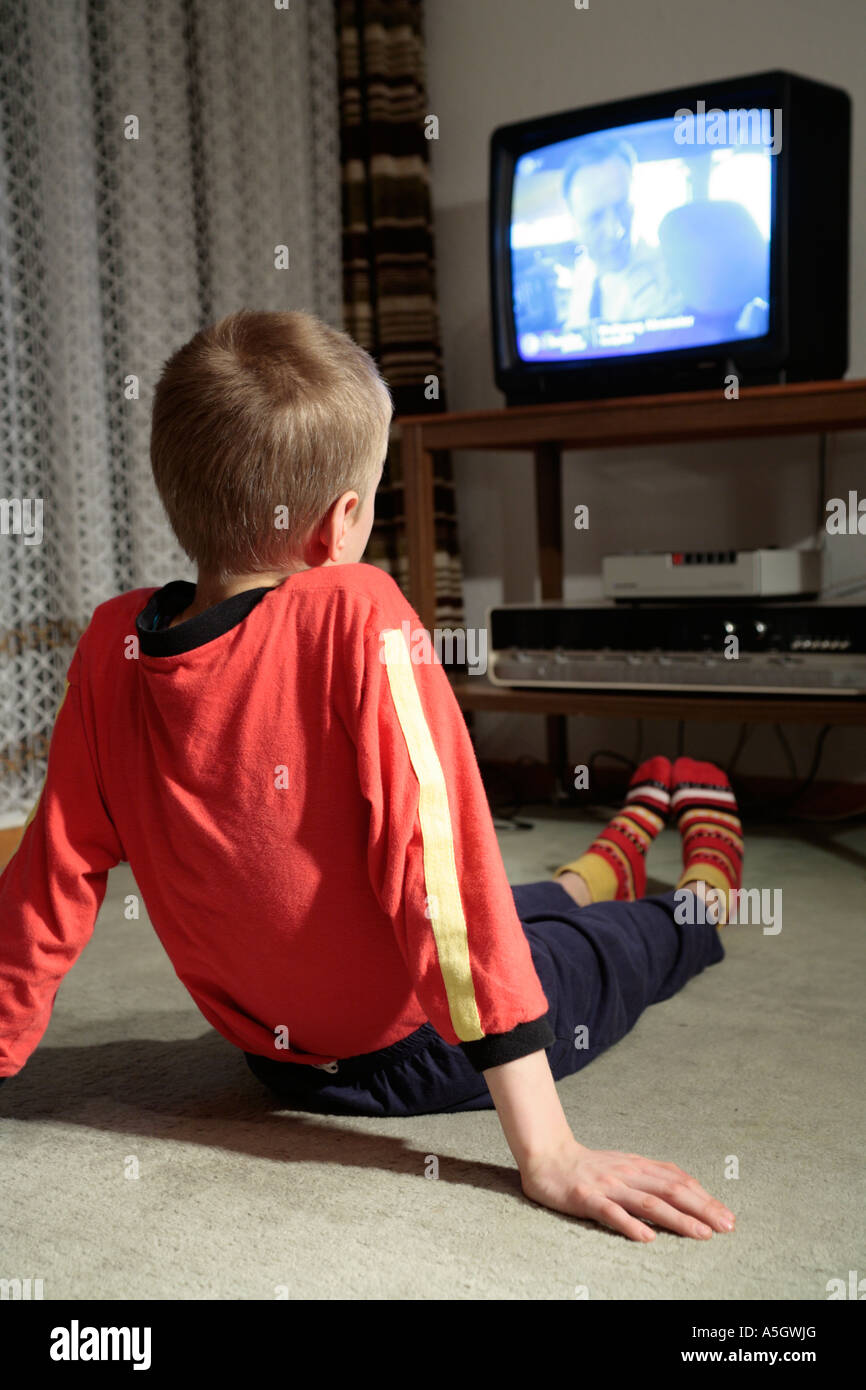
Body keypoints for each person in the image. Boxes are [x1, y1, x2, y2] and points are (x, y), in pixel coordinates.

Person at [0, 310, 740, 1244]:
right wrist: (547, 1150)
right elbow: (441, 874)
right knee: (613, 953)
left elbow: (45, 882)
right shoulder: (357, 610)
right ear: (339, 523)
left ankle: (589, 871)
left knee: (515, 907)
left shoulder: (112, 644)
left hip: (273, 1058)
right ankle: (703, 897)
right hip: (423, 1051)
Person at [560, 135, 684, 331]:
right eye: (595, 217)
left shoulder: (669, 282)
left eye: (622, 207)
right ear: (573, 220)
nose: (614, 231)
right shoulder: (585, 270)